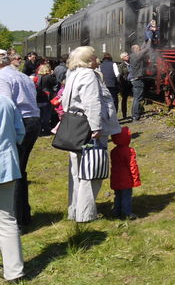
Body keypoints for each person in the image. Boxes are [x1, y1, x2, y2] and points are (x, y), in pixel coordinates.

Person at [62, 46, 121, 222]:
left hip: (76, 126)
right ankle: (86, 214)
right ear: (88, 60)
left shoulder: (72, 73)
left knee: (76, 170)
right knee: (91, 170)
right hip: (89, 128)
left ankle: (74, 210)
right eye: (94, 56)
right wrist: (96, 128)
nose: (97, 59)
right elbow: (92, 103)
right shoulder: (88, 75)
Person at [0, 53, 41, 226]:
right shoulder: (22, 76)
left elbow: (6, 106)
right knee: (20, 170)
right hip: (33, 120)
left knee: (13, 173)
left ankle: (15, 218)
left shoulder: (2, 78)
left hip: (20, 122)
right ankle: (23, 215)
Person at [0, 93, 26, 282]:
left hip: (6, 163)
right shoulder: (6, 101)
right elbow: (20, 132)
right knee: (7, 220)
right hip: (5, 165)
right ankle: (14, 272)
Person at [110, 127, 141, 220]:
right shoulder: (128, 151)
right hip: (126, 178)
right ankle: (127, 213)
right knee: (126, 196)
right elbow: (132, 166)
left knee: (118, 196)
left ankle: (116, 211)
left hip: (116, 177)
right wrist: (135, 178)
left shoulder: (113, 151)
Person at [128, 43, 150, 121]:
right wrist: (150, 39)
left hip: (134, 79)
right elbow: (146, 50)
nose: (140, 49)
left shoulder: (132, 56)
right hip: (137, 79)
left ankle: (134, 115)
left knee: (136, 98)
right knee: (137, 98)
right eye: (139, 48)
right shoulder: (137, 55)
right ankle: (135, 116)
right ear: (135, 50)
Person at [35, 63, 57, 136]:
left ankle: (39, 130)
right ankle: (46, 130)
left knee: (39, 116)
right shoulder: (49, 77)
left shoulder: (37, 77)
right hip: (47, 97)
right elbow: (55, 85)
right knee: (46, 116)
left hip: (38, 97)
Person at [117, 52, 131, 119]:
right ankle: (124, 114)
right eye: (125, 56)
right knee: (124, 99)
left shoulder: (130, 64)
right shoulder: (121, 65)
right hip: (125, 84)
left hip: (131, 83)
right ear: (122, 58)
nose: (127, 56)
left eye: (127, 55)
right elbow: (120, 76)